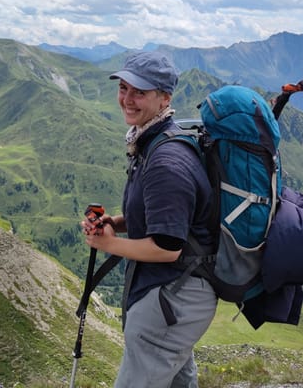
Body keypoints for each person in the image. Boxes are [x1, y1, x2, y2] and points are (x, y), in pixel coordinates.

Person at [81, 51, 217, 388]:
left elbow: (168, 245)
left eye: (139, 92)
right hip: (175, 292)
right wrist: (115, 221)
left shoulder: (165, 161)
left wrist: (110, 243)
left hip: (172, 295)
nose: (127, 99)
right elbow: (166, 217)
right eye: (124, 88)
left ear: (164, 99)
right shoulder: (155, 141)